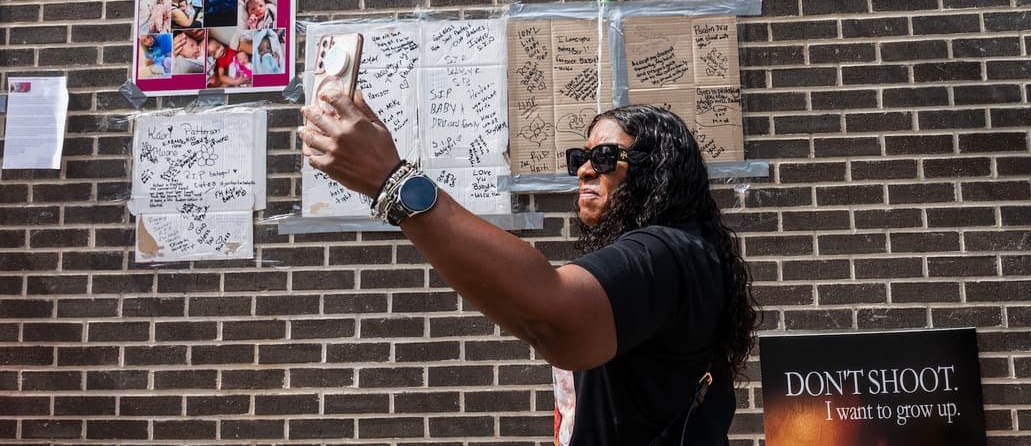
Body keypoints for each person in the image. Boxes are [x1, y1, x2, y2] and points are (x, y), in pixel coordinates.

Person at [298, 100, 758, 446]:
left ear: (657, 170)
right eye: (580, 156)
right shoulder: (685, 255)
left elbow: (552, 317)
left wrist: (394, 182)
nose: (582, 170)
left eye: (603, 158)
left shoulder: (666, 253)